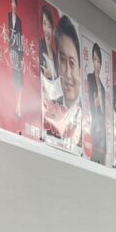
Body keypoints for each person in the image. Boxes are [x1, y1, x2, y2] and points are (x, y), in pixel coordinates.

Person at [51, 14, 83, 152]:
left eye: (72, 63)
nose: (68, 74)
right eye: (63, 60)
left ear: (80, 69)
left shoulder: (89, 122)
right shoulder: (50, 108)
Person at [86, 41, 107, 164]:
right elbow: (88, 101)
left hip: (102, 132)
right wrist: (94, 104)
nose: (97, 64)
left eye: (99, 61)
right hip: (93, 129)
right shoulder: (90, 78)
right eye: (95, 60)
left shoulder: (103, 88)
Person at [7, 0, 23, 119]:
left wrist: (21, 57)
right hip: (9, 51)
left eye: (14, 2)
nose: (13, 4)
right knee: (11, 78)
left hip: (17, 52)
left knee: (19, 80)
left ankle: (18, 107)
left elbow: (21, 39)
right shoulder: (8, 16)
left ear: (16, 5)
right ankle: (14, 107)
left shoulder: (19, 21)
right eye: (11, 2)